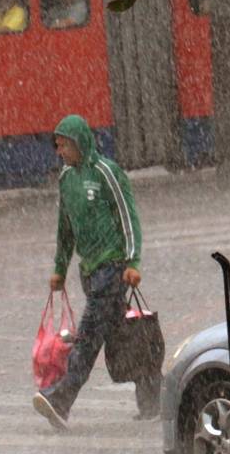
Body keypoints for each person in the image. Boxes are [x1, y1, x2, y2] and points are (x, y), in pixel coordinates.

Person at [33, 113, 158, 428]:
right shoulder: (66, 179)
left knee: (87, 338)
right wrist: (60, 267)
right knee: (125, 338)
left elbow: (128, 217)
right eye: (58, 147)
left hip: (112, 267)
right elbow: (66, 229)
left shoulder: (106, 172)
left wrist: (132, 261)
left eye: (64, 145)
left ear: (79, 143)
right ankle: (155, 398)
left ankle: (61, 399)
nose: (60, 152)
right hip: (88, 271)